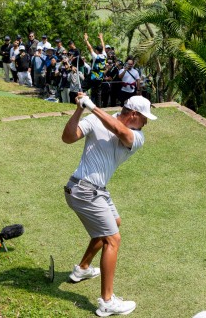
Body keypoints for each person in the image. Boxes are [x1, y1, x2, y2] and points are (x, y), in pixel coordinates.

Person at [62, 92, 157, 317]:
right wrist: (79, 109)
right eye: (144, 118)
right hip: (84, 190)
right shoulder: (96, 119)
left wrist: (92, 107)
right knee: (112, 239)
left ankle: (82, 269)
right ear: (134, 114)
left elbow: (119, 130)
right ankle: (107, 302)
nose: (146, 123)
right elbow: (68, 138)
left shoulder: (136, 136)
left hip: (97, 190)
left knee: (114, 222)